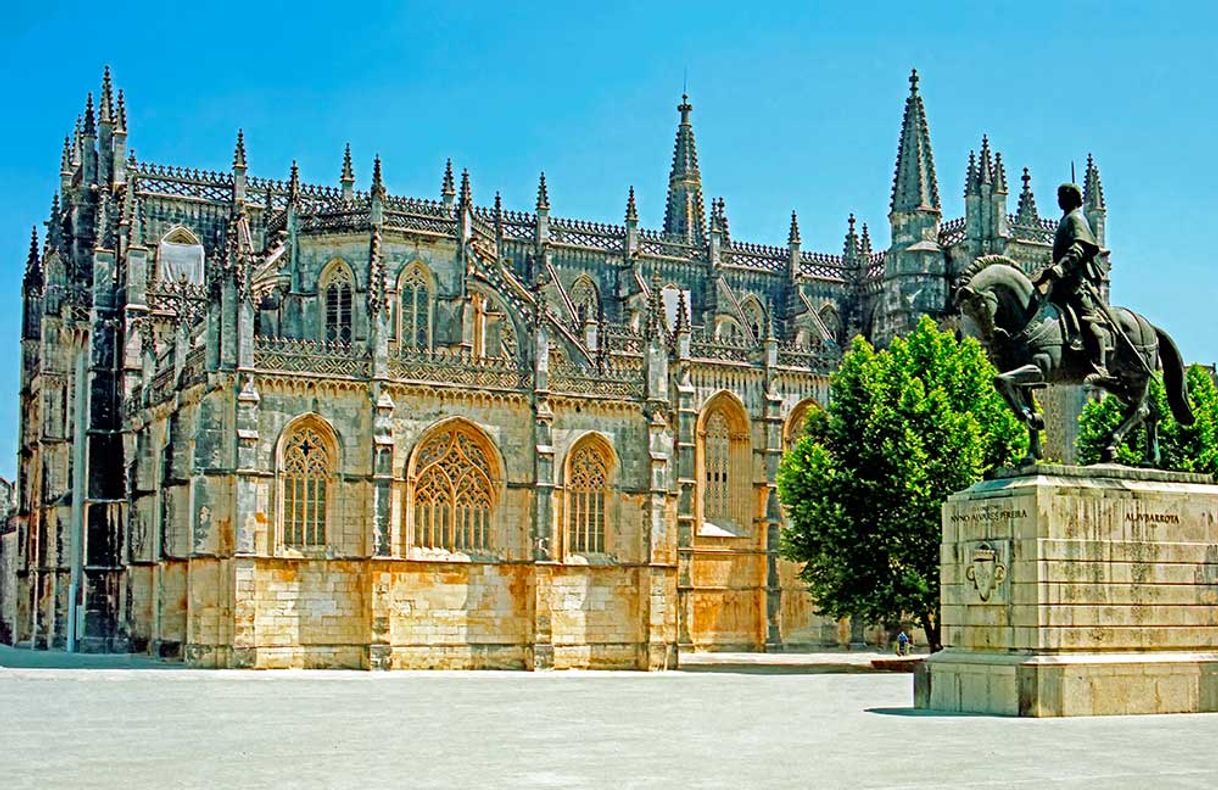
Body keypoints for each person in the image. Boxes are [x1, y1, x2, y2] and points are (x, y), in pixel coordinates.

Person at [1032, 183, 1115, 387]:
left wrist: (1061, 268)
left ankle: (1100, 365)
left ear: (1073, 199)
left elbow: (1078, 249)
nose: (1059, 200)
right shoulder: (1065, 220)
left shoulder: (1076, 219)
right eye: (1058, 196)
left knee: (1087, 319)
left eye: (1062, 196)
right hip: (1060, 285)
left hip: (1076, 283)